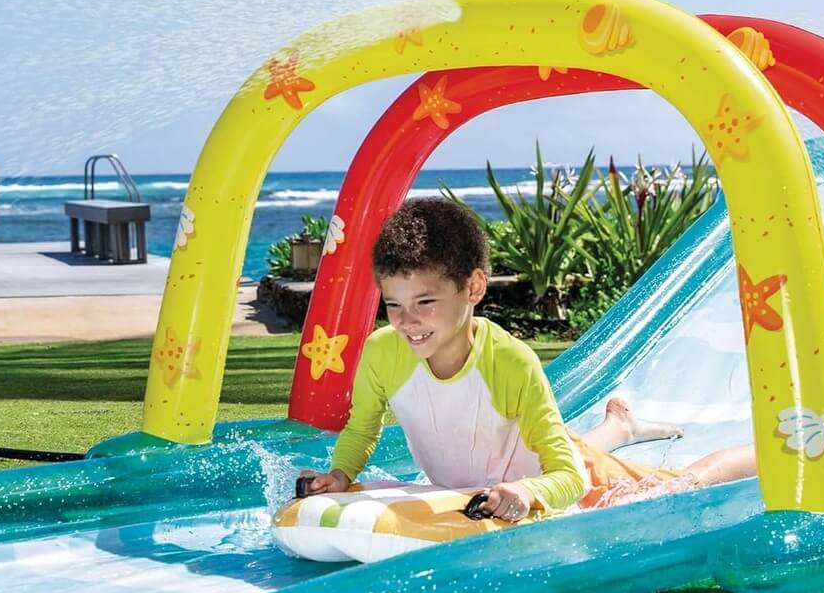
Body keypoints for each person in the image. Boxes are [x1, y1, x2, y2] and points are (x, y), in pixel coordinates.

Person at [302, 199, 756, 519]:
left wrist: (526, 491)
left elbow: (569, 478)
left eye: (425, 302)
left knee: (674, 487)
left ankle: (763, 450)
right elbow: (362, 428)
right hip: (515, 463)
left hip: (573, 481)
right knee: (553, 444)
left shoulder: (510, 363)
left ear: (474, 288)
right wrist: (340, 474)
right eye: (394, 304)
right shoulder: (383, 352)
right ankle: (619, 427)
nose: (407, 321)